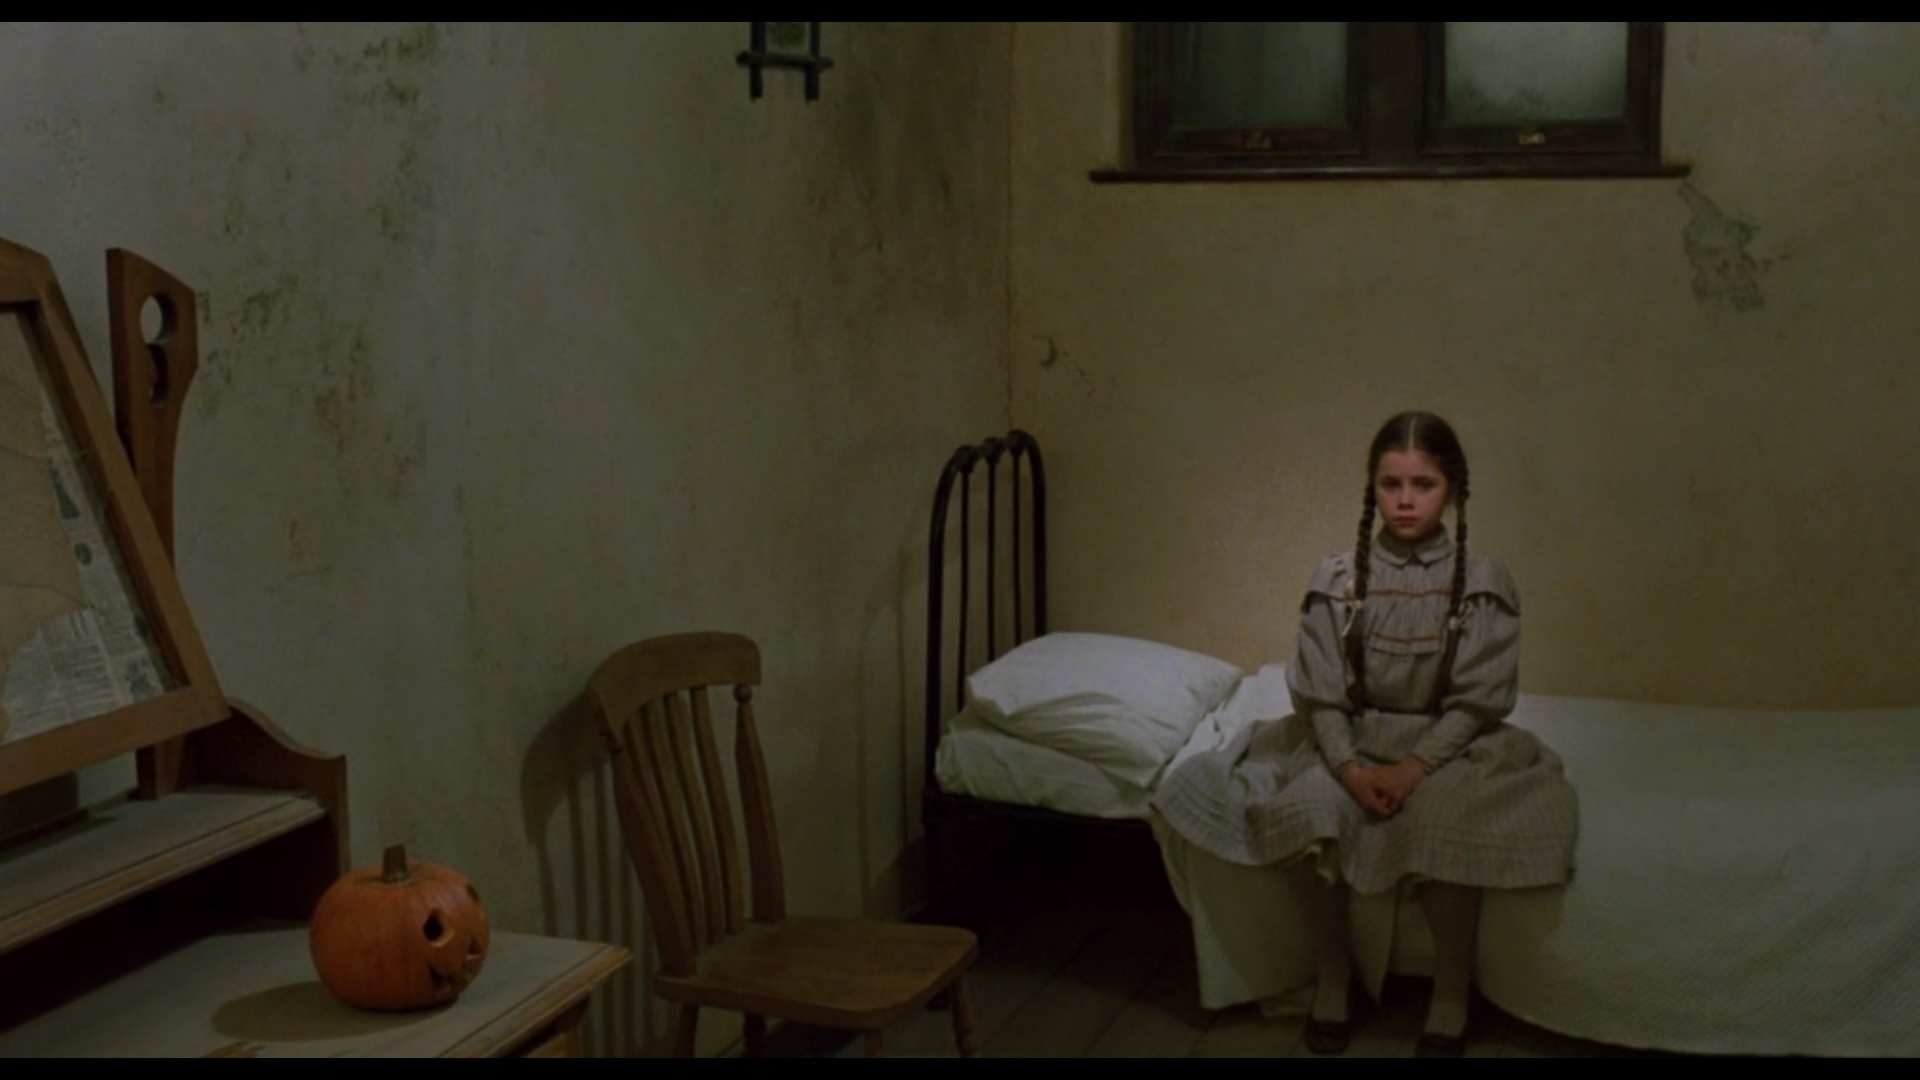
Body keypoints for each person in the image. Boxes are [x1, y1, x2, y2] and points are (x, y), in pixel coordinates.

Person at [1151, 411, 1578, 1058]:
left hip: (1445, 745)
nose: (1405, 500)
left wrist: (1413, 769)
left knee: (1448, 814)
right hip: (1348, 737)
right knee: (1308, 803)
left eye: (1424, 485)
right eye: (1390, 484)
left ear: (1453, 492)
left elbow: (1476, 704)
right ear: (1372, 488)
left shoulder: (1481, 583)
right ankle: (1333, 973)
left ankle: (1451, 990)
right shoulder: (1339, 580)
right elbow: (1321, 694)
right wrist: (1349, 769)